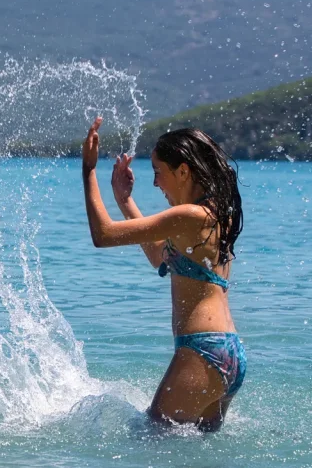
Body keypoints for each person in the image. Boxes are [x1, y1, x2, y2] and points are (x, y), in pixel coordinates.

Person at [81, 117, 246, 431]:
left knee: (149, 440)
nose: (155, 184)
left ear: (183, 171)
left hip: (202, 350)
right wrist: (125, 200)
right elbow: (160, 256)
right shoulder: (213, 216)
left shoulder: (191, 215)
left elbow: (102, 235)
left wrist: (89, 169)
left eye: (158, 173)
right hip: (227, 353)